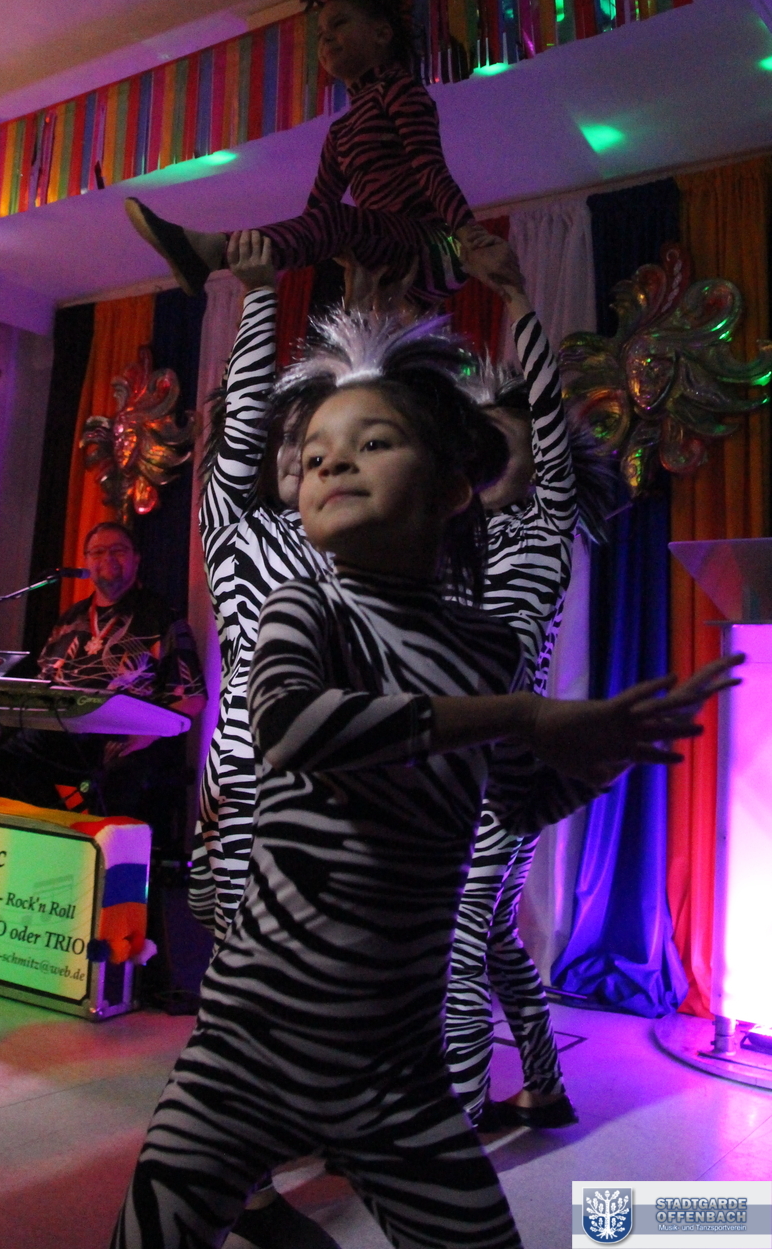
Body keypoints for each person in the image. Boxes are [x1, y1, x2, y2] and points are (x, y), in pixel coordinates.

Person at [108, 308, 740, 1249]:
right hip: (248, 1046)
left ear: (452, 487)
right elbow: (288, 727)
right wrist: (522, 716)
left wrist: (611, 755)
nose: (330, 462)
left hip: (397, 1063)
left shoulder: (486, 646)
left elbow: (518, 799)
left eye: (372, 442)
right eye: (315, 453)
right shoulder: (304, 606)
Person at [444, 267, 616, 1132]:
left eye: (502, 442)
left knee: (457, 937)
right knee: (489, 934)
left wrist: (515, 300)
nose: (485, 456)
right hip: (460, 760)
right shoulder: (464, 539)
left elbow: (544, 412)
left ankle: (458, 1116)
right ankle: (543, 1086)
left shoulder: (545, 522)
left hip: (503, 766)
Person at [192, 230, 338, 1249]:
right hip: (253, 786)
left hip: (326, 793)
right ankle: (238, 1188)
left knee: (297, 984)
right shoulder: (237, 531)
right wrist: (255, 298)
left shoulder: (350, 545)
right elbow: (241, 431)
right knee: (248, 988)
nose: (298, 462)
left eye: (314, 447)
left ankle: (277, 1139)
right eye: (288, 447)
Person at [125, 0, 510, 307]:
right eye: (321, 32)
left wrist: (467, 231)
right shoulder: (341, 131)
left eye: (339, 24)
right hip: (385, 248)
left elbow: (429, 166)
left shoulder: (399, 89)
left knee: (336, 219)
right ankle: (218, 252)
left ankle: (213, 250)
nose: (325, 37)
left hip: (434, 248)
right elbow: (315, 219)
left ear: (381, 34)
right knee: (328, 220)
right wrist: (284, 256)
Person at [0, 521, 205, 853]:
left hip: (123, 736)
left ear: (136, 558)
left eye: (118, 550)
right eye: (98, 552)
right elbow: (43, 685)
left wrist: (147, 735)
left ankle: (101, 863)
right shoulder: (71, 619)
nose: (108, 558)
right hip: (63, 732)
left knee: (120, 778)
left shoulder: (162, 617)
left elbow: (192, 699)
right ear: (86, 561)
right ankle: (40, 840)